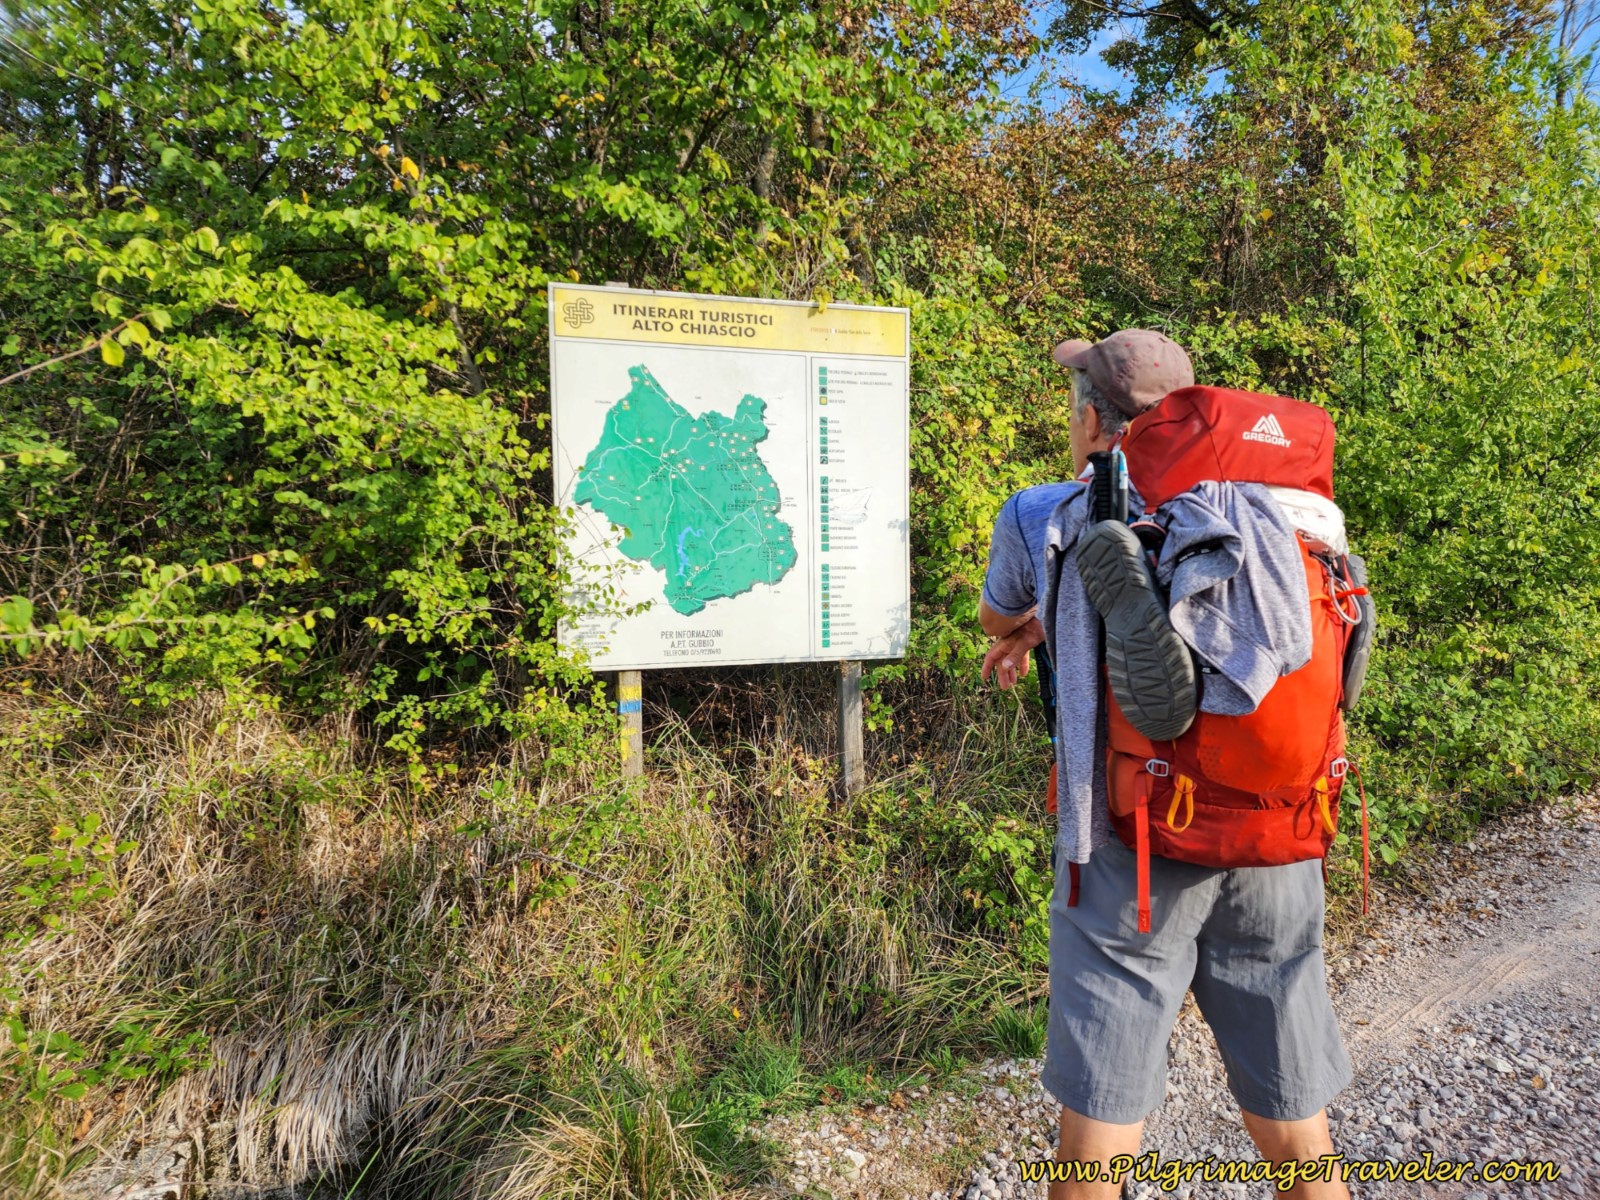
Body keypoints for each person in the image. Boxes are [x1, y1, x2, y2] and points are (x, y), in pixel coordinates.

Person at [978, 331, 1353, 1200]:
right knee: (1301, 1136)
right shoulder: (1292, 512)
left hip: (1132, 850)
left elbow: (999, 620)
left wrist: (1040, 618)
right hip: (1278, 827)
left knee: (1097, 1145)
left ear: (1088, 419)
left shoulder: (1046, 513)